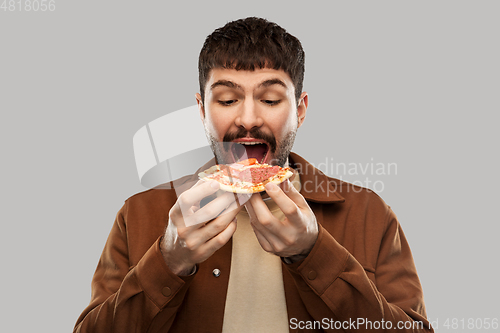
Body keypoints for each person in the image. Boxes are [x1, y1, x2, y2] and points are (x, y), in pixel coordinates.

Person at [74, 17, 433, 332]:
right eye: (228, 100)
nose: (247, 119)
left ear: (300, 110)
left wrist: (313, 253)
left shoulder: (369, 213)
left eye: (271, 100)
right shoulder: (137, 214)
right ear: (202, 111)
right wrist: (168, 262)